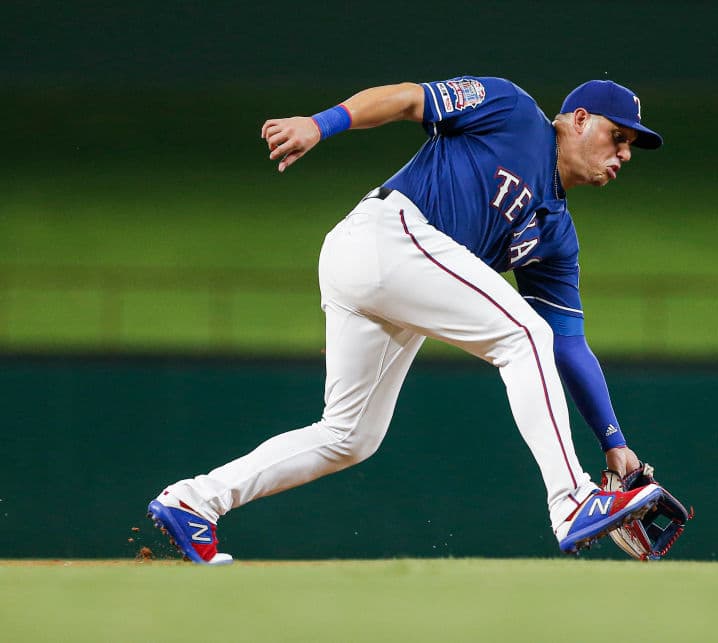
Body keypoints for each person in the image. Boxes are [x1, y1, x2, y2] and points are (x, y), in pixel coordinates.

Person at [148, 76, 668, 564]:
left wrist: (613, 443)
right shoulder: (512, 110)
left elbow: (569, 345)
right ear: (579, 119)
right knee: (524, 333)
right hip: (386, 235)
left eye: (630, 146)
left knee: (350, 436)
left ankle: (194, 501)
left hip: (397, 275)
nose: (624, 153)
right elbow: (406, 99)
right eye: (617, 136)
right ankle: (572, 500)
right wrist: (319, 124)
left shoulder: (556, 237)